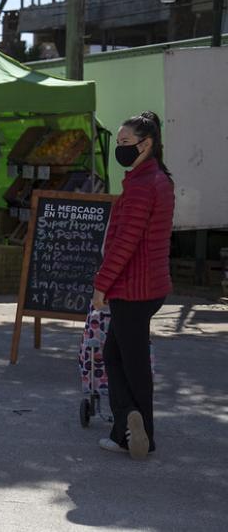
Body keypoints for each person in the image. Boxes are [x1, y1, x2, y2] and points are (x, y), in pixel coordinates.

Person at [92, 111, 174, 461]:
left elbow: (125, 242)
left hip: (133, 288)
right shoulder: (159, 180)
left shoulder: (142, 186)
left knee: (129, 363)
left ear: (147, 144)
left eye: (126, 143)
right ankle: (126, 428)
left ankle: (135, 426)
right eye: (120, 143)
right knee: (121, 357)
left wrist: (101, 285)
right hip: (151, 286)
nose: (121, 148)